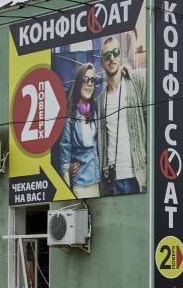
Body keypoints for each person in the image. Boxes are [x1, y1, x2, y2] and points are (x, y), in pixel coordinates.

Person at [97, 35, 147, 196]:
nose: (112, 58)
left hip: (139, 176)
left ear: (120, 56)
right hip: (112, 181)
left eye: (115, 53)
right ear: (102, 62)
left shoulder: (136, 81)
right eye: (107, 56)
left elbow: (151, 122)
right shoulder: (100, 101)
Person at [59, 63, 101, 198]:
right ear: (78, 83)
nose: (89, 84)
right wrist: (68, 195)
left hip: (98, 183)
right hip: (80, 187)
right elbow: (65, 163)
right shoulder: (70, 119)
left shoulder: (96, 112)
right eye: (86, 79)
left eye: (92, 80)